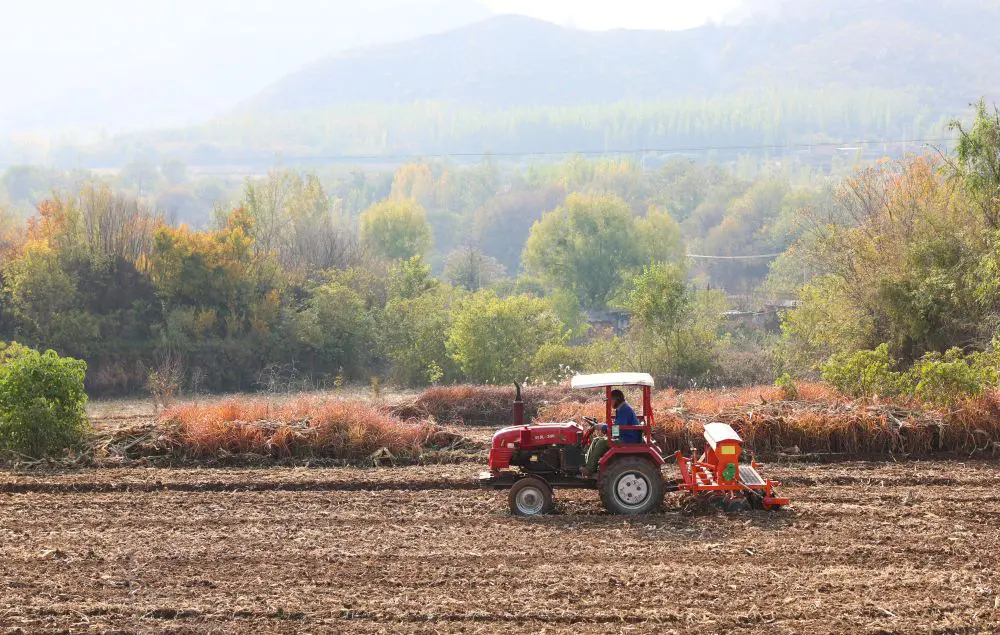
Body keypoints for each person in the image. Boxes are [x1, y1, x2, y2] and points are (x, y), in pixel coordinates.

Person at [582, 389, 642, 476]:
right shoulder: (622, 408)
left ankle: (589, 469)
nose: (609, 403)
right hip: (625, 436)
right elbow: (617, 426)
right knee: (596, 440)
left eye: (611, 400)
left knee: (602, 442)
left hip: (627, 439)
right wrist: (604, 427)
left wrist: (604, 427)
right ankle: (588, 465)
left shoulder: (624, 410)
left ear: (617, 399)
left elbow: (618, 428)